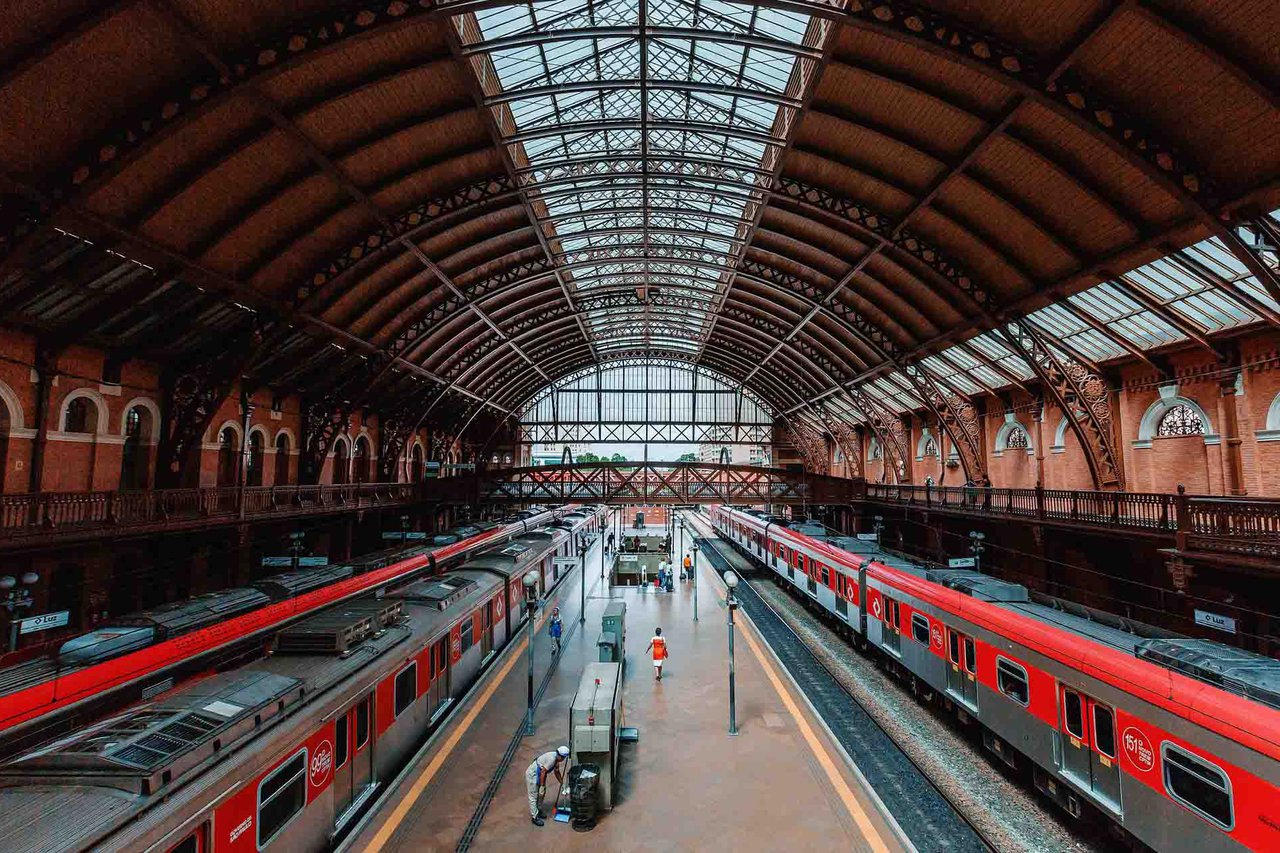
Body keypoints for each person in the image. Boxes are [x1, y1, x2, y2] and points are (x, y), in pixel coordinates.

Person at [525, 745, 570, 826]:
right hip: (533, 773)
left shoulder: (556, 759)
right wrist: (542, 786)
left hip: (541, 774)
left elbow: (557, 772)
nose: (563, 760)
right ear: (560, 756)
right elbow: (543, 772)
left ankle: (538, 810)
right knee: (533, 795)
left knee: (542, 794)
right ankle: (534, 817)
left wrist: (562, 783)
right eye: (563, 758)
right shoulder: (552, 759)